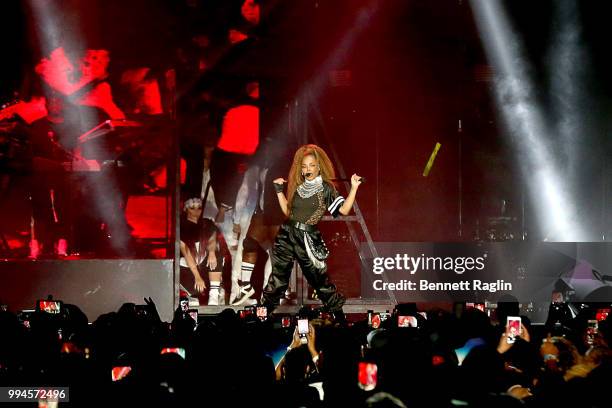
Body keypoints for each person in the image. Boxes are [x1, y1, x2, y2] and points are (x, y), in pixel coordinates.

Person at [261, 144, 362, 316]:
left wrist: (354, 188)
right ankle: (262, 314)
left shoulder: (326, 188)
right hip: (287, 233)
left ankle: (339, 316)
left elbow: (343, 210)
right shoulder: (298, 187)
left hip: (307, 237)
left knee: (318, 279)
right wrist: (279, 191)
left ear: (318, 167)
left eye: (312, 165)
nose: (308, 169)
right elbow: (288, 212)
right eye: (304, 166)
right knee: (278, 277)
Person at [179, 198, 231, 305]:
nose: (196, 211)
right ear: (185, 209)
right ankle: (190, 295)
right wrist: (197, 277)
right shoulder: (181, 227)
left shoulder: (206, 223)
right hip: (187, 268)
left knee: (217, 255)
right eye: (192, 208)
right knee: (196, 294)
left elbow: (212, 239)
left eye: (199, 208)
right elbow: (187, 253)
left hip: (201, 265)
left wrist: (211, 252)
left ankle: (214, 295)